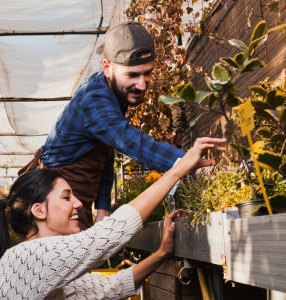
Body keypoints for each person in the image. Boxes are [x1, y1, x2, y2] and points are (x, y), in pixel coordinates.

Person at [0, 137, 226, 299]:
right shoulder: (28, 257)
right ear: (39, 211)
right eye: (66, 197)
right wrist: (178, 170)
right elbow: (106, 236)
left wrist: (161, 253)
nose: (78, 203)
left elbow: (110, 288)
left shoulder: (45, 266)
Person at [27, 22, 202, 230]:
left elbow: (106, 156)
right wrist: (187, 163)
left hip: (76, 199)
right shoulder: (95, 102)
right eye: (132, 75)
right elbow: (134, 143)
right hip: (56, 203)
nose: (143, 84)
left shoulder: (113, 95)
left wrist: (102, 209)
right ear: (107, 68)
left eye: (147, 73)